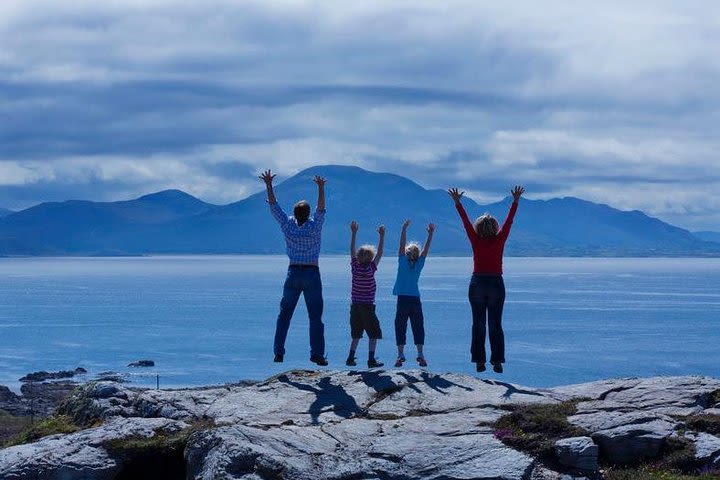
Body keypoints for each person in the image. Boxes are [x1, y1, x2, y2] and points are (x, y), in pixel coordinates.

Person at [448, 185, 525, 373]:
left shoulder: (475, 240)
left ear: (478, 228)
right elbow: (509, 222)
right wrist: (515, 201)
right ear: (495, 228)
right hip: (496, 284)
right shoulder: (500, 240)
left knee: (478, 323)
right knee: (496, 324)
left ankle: (479, 361)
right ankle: (497, 361)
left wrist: (458, 203)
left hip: (477, 284)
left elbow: (465, 222)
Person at [260, 169, 328, 366]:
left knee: (284, 315)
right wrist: (321, 188)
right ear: (308, 214)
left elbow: (274, 207)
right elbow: (321, 209)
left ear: (294, 213)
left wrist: (269, 185)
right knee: (315, 317)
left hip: (293, 273)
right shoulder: (315, 226)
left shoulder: (287, 225)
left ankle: (279, 353)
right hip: (312, 273)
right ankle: (317, 354)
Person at [392, 220, 435, 368]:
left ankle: (400, 354)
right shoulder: (419, 264)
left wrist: (403, 229)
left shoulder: (402, 261)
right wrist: (430, 234)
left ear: (406, 252)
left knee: (400, 325)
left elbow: (400, 245)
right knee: (418, 326)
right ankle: (420, 354)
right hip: (415, 299)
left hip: (402, 299)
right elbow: (426, 250)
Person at [346, 221, 385, 368]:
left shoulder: (354, 267)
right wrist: (382, 236)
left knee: (356, 334)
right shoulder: (371, 268)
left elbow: (351, 249)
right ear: (371, 257)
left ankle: (350, 357)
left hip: (355, 306)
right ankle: (371, 359)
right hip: (368, 307)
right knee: (373, 334)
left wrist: (354, 233)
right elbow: (380, 252)